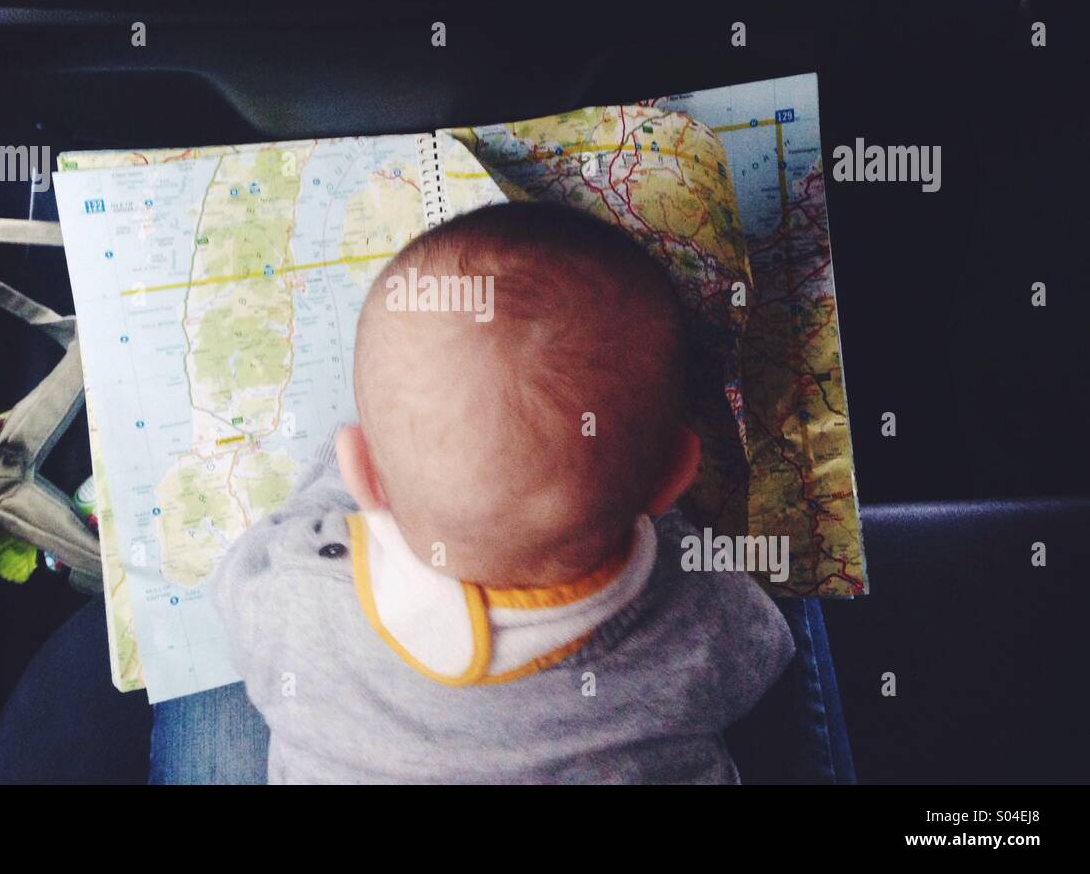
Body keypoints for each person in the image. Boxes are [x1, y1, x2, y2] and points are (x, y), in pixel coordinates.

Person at [163, 201, 801, 783]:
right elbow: (764, 654)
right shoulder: (697, 614)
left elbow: (237, 580)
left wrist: (329, 485)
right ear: (675, 474)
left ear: (361, 472)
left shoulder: (305, 595)